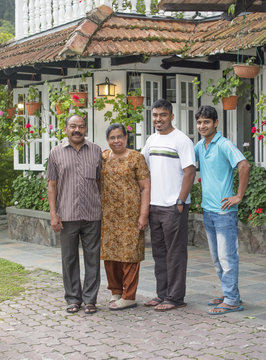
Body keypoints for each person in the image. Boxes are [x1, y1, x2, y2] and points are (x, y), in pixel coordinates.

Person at [194, 105, 250, 315]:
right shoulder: (200, 146)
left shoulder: (224, 144)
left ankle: (232, 300)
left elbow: (244, 165)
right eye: (199, 122)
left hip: (224, 213)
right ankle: (230, 294)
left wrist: (238, 196)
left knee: (227, 257)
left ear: (216, 123)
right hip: (208, 211)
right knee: (217, 258)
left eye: (206, 122)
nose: (202, 126)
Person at [142, 99, 196, 312]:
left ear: (171, 116)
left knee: (175, 253)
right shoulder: (152, 139)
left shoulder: (181, 140)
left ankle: (175, 297)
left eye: (163, 115)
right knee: (159, 253)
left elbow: (190, 171)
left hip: (174, 206)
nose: (158, 119)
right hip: (154, 205)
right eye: (155, 115)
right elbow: (141, 163)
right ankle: (162, 294)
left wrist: (181, 201)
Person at [47, 114, 102, 315]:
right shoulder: (55, 153)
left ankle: (90, 300)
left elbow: (99, 182)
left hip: (92, 215)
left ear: (85, 129)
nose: (77, 130)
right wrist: (53, 214)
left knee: (92, 259)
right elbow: (52, 185)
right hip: (67, 215)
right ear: (65, 129)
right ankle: (73, 299)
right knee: (69, 259)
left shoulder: (96, 151)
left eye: (80, 126)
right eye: (73, 126)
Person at [101, 123, 150, 311]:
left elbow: (145, 187)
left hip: (131, 215)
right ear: (107, 140)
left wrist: (143, 214)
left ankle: (129, 296)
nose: (116, 141)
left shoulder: (136, 158)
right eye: (112, 138)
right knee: (110, 254)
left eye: (119, 137)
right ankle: (115, 291)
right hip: (109, 215)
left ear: (126, 138)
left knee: (129, 255)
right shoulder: (104, 157)